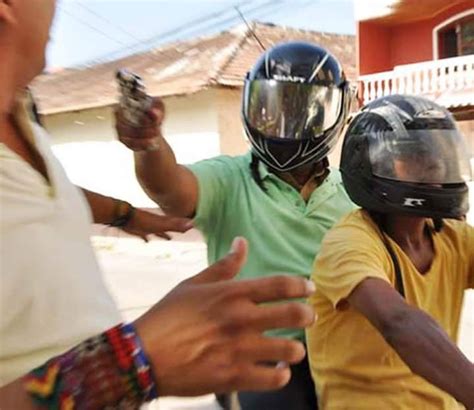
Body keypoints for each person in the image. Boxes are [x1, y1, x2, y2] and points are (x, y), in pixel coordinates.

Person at [0, 0, 317, 407]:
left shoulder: (24, 120)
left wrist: (126, 215)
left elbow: (36, 197)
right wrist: (132, 363)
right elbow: (174, 187)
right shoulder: (233, 175)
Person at [117, 41, 355, 409]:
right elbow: (173, 190)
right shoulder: (230, 178)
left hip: (338, 352)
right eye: (273, 109)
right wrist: (148, 144)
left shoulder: (349, 192)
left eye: (301, 112)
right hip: (254, 355)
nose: (286, 125)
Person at [306, 94, 474, 409]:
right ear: (370, 163)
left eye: (439, 156)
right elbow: (399, 322)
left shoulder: (454, 238)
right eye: (414, 157)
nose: (435, 166)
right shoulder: (349, 242)